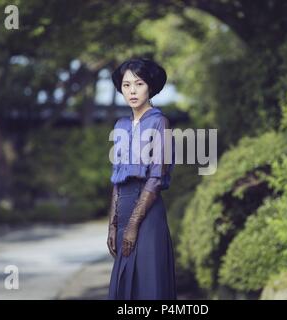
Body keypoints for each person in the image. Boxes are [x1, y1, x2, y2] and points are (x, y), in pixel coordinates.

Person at [106, 57, 177, 300]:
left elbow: (156, 178)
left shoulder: (159, 122)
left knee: (148, 287)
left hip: (147, 214)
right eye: (126, 85)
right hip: (123, 211)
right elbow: (117, 178)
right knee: (123, 290)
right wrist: (113, 224)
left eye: (139, 84)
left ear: (150, 86)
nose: (132, 91)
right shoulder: (121, 125)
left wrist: (134, 225)